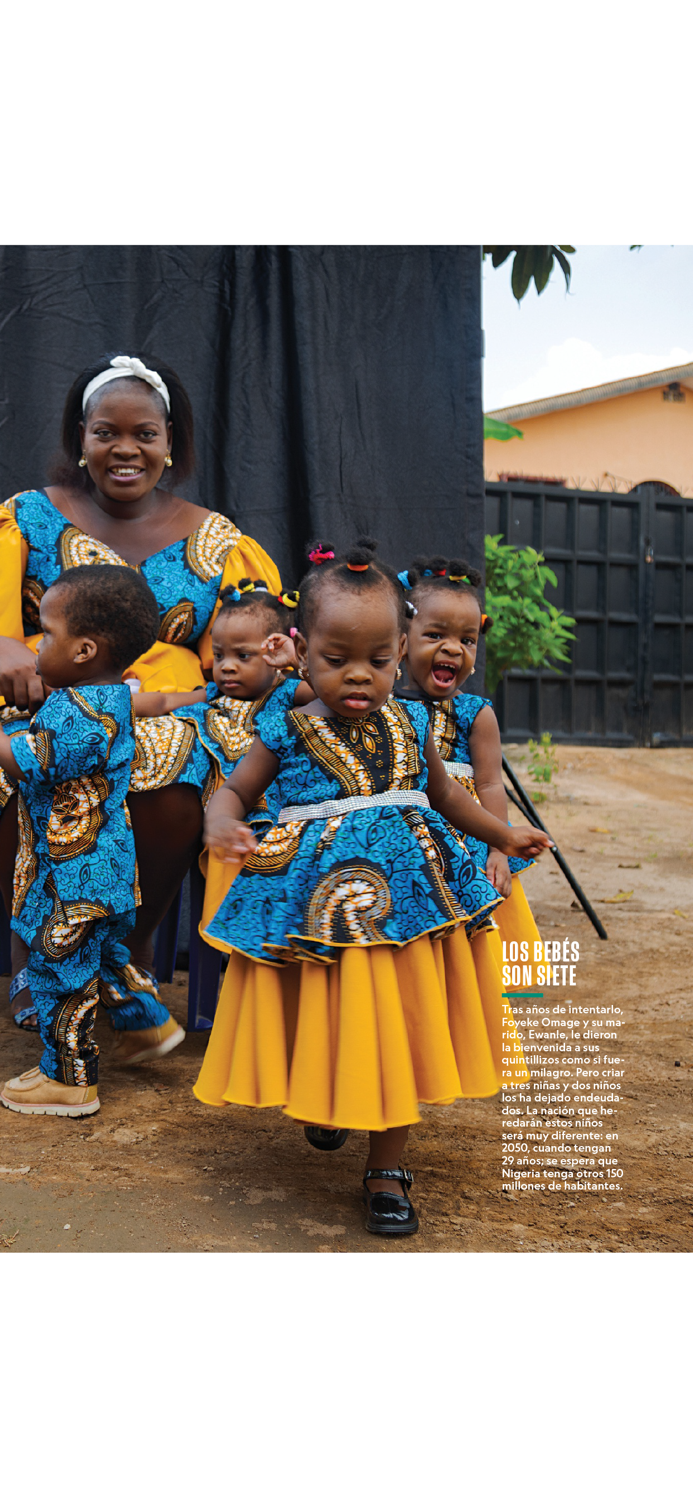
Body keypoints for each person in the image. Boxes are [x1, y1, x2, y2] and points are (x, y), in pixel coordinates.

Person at [193, 539, 551, 1237]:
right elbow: (234, 791)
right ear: (299, 649)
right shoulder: (285, 729)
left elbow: (448, 797)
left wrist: (503, 837)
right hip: (311, 906)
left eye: (379, 660)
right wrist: (220, 820)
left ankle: (387, 1167)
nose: (359, 676)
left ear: (398, 651)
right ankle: (329, 1099)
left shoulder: (417, 723)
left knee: (396, 1020)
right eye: (335, 660)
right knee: (335, 1009)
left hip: (412, 900)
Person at [0, 351, 281, 1028]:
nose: (125, 449)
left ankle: (124, 955)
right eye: (106, 432)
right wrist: (9, 646)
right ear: (81, 437)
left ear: (169, 441)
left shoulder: (218, 541)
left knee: (181, 756)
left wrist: (247, 680)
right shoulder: (27, 518)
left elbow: (244, 654)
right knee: (27, 757)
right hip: (47, 701)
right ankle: (43, 960)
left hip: (173, 712)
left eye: (144, 434)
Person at [0, 566, 185, 1119]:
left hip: (73, 874)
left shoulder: (82, 715)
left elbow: (28, 760)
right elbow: (149, 705)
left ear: (83, 650)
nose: (37, 644)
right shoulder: (106, 697)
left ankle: (69, 1079)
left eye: (46, 633)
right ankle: (147, 1024)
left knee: (60, 969)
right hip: (103, 871)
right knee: (105, 956)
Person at [132, 576, 311, 926]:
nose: (227, 666)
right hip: (203, 813)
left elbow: (328, 693)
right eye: (219, 655)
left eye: (243, 656)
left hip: (264, 811)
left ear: (276, 653)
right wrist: (112, 702)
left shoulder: (289, 693)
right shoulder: (213, 694)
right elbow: (166, 700)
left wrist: (299, 662)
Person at [397, 556, 543, 970]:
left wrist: (499, 848)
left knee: (470, 943)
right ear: (402, 640)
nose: (452, 648)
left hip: (468, 843)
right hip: (414, 847)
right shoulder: (384, 708)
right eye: (435, 634)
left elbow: (492, 785)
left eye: (467, 639)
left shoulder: (476, 714)